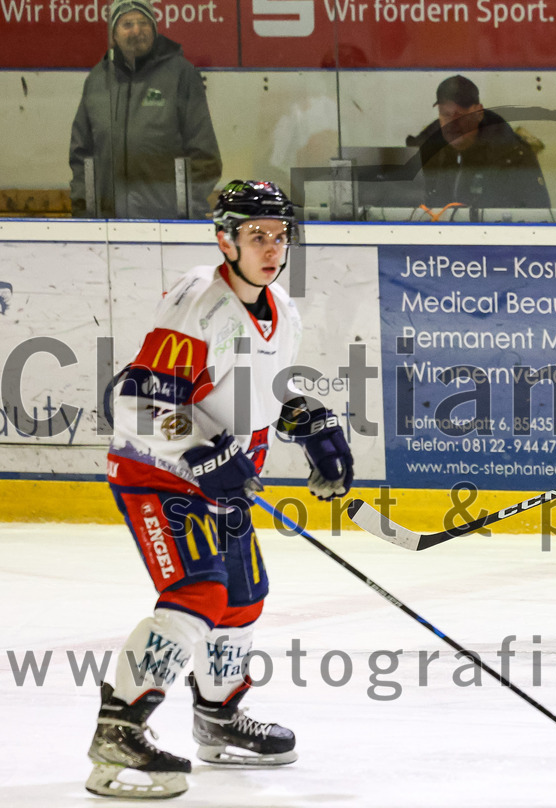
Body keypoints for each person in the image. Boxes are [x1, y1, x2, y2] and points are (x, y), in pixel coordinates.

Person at [88, 180, 354, 798]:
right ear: (225, 238)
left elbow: (252, 392)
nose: (272, 246)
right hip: (158, 475)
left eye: (280, 234)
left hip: (217, 482)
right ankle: (117, 729)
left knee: (242, 596)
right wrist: (201, 450)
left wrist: (306, 422)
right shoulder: (199, 304)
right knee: (199, 592)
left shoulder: (281, 307)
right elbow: (135, 400)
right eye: (256, 234)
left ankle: (219, 718)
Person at [69, 0, 222, 219]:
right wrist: (85, 212)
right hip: (107, 225)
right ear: (114, 34)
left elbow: (205, 155)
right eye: (127, 24)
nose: (137, 30)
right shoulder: (97, 80)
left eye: (144, 23)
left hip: (169, 224)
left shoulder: (181, 75)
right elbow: (81, 155)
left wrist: (188, 210)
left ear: (155, 29)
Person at [408, 74, 550, 210]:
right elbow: (400, 210)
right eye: (446, 115)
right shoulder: (424, 151)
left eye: (459, 115)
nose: (452, 124)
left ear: (478, 113)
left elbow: (538, 217)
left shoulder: (513, 154)